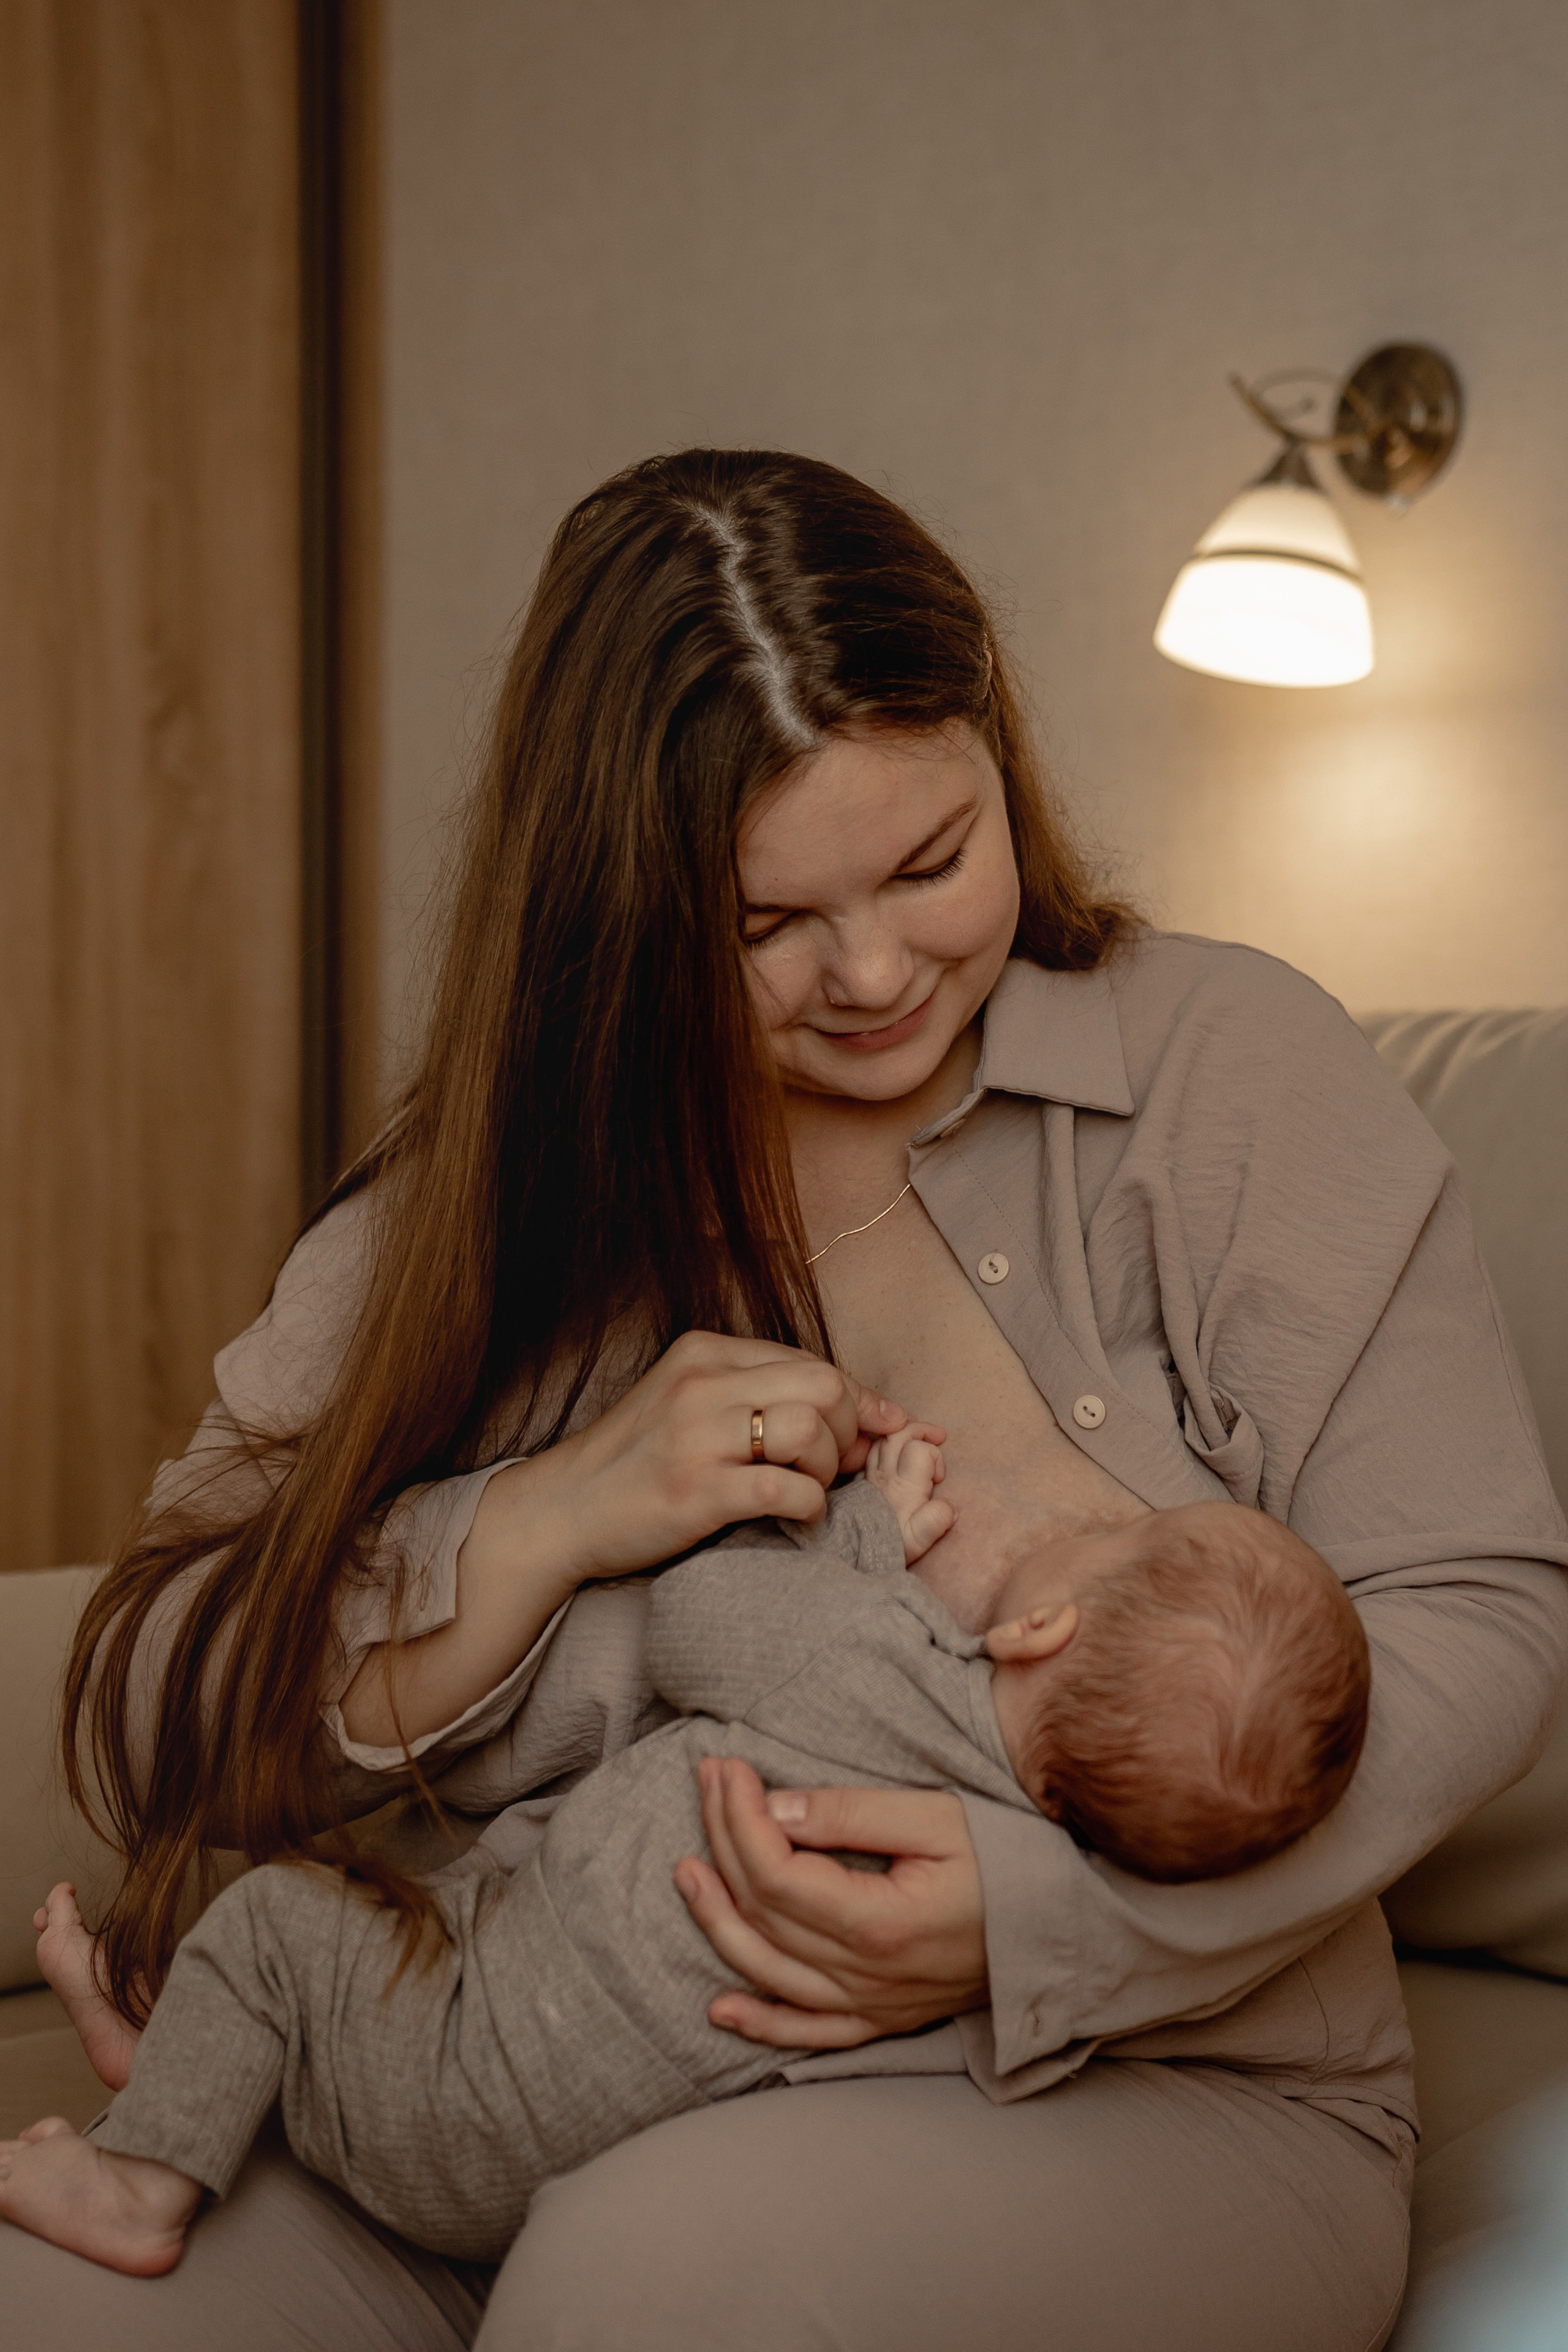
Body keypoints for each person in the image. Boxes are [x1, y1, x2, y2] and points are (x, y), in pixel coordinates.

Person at [2, 448, 1564, 2352]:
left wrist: (1031, 1916)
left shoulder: (1228, 1074)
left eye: (933, 859)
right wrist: (549, 1516)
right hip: (493, 2069)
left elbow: (1477, 1608)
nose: (880, 970)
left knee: (655, 2292)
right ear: (617, 914)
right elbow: (164, 1676)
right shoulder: (486, 1198)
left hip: (1134, 2076)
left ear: (1000, 754)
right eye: (765, 927)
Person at [1, 1445, 1371, 2274]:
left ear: (1034, 1630)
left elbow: (701, 1620)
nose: (1084, 1514)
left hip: (464, 2079)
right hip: (555, 2154)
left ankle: (136, 2182)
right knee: (415, 1920)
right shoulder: (1000, 1852)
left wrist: (858, 1534)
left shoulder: (878, 1659)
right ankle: (189, 2062)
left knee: (281, 1920)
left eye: (1109, 1530)